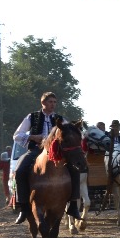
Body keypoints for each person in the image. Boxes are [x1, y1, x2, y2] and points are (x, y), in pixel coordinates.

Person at [11, 91, 83, 224]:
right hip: (35, 150)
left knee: (75, 169)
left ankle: (73, 205)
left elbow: (71, 132)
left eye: (55, 102)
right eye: (50, 102)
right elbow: (17, 135)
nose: (53, 105)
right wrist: (32, 137)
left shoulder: (61, 119)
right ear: (43, 103)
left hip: (56, 153)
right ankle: (24, 208)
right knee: (20, 170)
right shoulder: (31, 117)